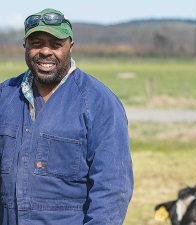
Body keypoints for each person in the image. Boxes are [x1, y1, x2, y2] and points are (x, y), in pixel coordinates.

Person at [0, 8, 134, 225]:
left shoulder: (99, 103)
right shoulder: (5, 96)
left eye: (55, 44)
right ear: (25, 46)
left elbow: (112, 188)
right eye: (36, 43)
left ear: (70, 47)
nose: (45, 51)